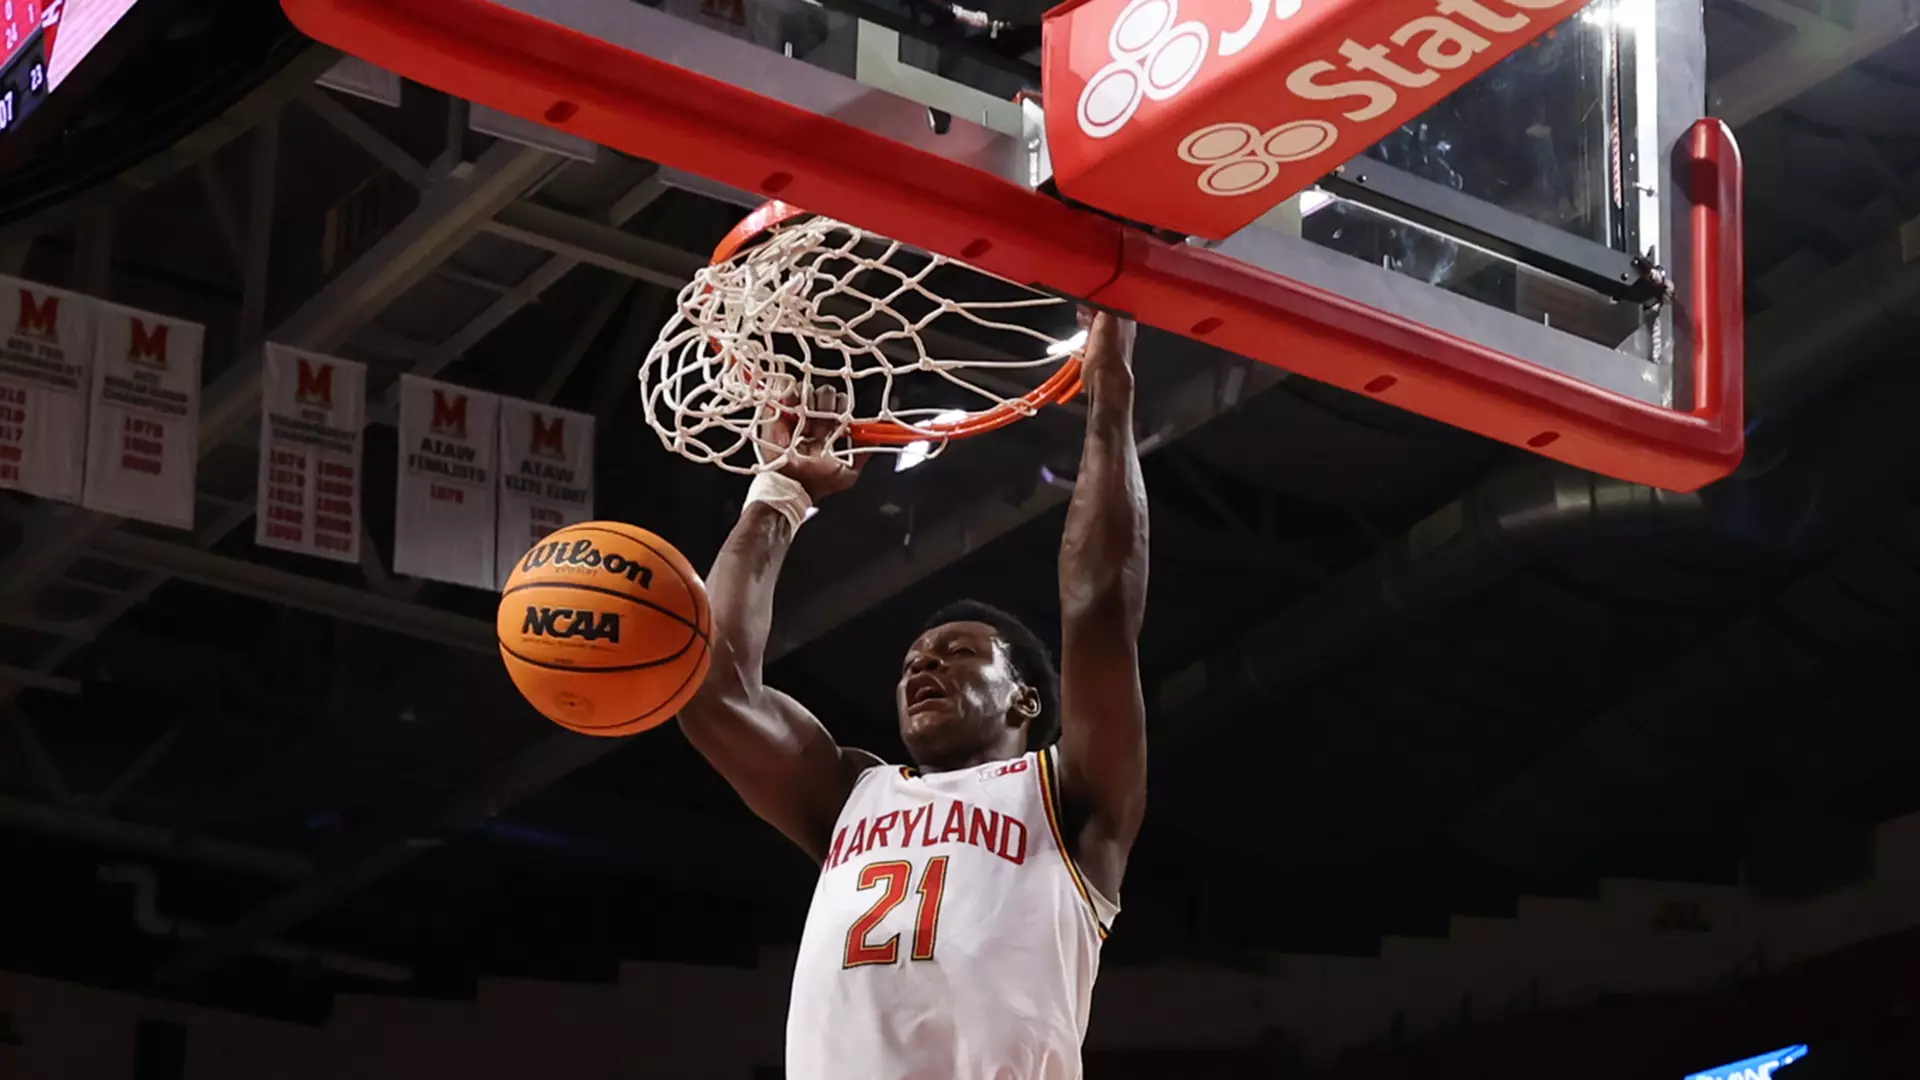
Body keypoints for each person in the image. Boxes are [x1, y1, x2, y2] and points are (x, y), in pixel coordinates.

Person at [679, 311, 1148, 1080]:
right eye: (913, 661)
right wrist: (779, 494)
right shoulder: (853, 793)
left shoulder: (1071, 795)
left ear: (1025, 701)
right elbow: (714, 688)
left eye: (960, 653)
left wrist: (1111, 390)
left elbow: (1100, 606)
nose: (923, 667)